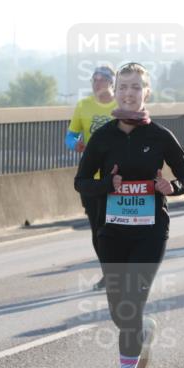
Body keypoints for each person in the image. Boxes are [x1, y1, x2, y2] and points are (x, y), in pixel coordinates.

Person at [74, 62, 184, 368]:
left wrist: (170, 186)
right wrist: (104, 186)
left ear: (147, 93)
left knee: (131, 302)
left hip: (150, 232)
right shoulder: (103, 137)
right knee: (119, 308)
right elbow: (81, 182)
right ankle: (143, 329)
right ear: (115, 90)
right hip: (110, 231)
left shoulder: (159, 136)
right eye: (123, 86)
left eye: (135, 87)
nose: (128, 93)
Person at [65, 65, 117, 289]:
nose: (97, 83)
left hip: (117, 177)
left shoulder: (122, 105)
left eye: (102, 79)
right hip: (91, 178)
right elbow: (69, 136)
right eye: (94, 79)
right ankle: (109, 272)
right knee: (97, 230)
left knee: (115, 228)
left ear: (111, 82)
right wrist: (74, 144)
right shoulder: (83, 105)